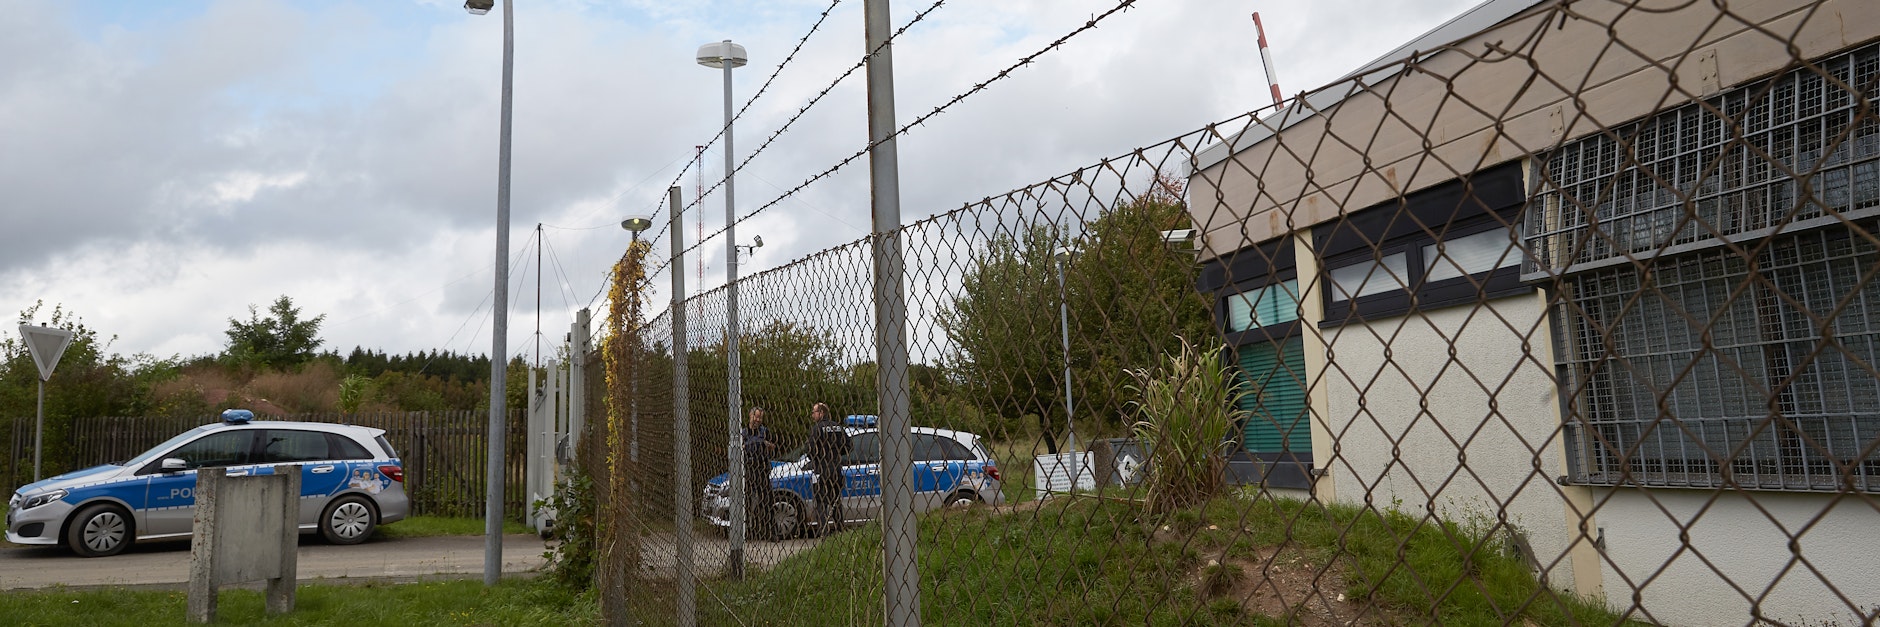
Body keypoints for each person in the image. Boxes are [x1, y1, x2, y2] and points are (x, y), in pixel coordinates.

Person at [805, 402, 851, 536]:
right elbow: (848, 445)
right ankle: (840, 528)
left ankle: (823, 531)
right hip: (836, 468)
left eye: (814, 412)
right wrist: (837, 453)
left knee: (821, 502)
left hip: (821, 469)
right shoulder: (837, 427)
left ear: (821, 413)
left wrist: (817, 456)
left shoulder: (817, 428)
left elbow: (810, 449)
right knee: (836, 501)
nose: (813, 415)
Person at [741, 407, 777, 541]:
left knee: (767, 502)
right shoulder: (744, 433)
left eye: (760, 418)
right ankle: (747, 532)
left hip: (762, 469)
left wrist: (765, 444)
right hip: (749, 470)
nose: (757, 420)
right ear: (750, 416)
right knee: (747, 503)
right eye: (755, 417)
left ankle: (771, 532)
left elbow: (773, 445)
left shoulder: (765, 431)